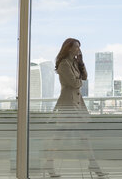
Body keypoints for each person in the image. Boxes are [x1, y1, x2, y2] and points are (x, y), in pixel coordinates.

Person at [43, 38, 108, 178]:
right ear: (69, 48)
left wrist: (81, 62)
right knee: (61, 137)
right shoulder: (64, 64)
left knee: (81, 136)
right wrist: (79, 82)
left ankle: (92, 163)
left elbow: (84, 77)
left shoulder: (73, 62)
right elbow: (75, 83)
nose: (79, 49)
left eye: (79, 47)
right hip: (69, 104)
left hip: (77, 103)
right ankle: (50, 163)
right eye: (76, 47)